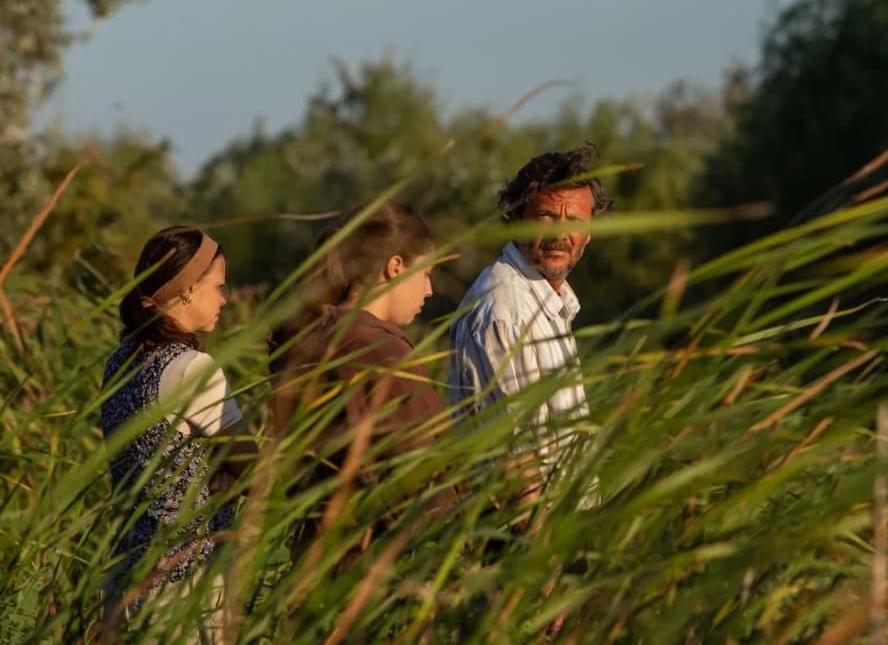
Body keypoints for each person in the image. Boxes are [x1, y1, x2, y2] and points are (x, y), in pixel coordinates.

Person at [268, 201, 454, 571]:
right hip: (372, 573)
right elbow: (426, 479)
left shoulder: (312, 337)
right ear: (396, 267)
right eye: (426, 274)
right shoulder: (379, 351)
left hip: (314, 561)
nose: (429, 290)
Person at [100, 226, 255, 642]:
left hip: (125, 577)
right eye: (219, 287)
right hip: (184, 590)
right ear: (187, 290)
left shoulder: (119, 362)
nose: (224, 299)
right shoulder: (192, 369)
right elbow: (251, 463)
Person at [448, 144, 613, 517]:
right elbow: (515, 457)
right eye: (545, 217)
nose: (560, 234)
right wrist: (541, 560)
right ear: (516, 218)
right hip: (518, 542)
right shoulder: (504, 306)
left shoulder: (549, 301)